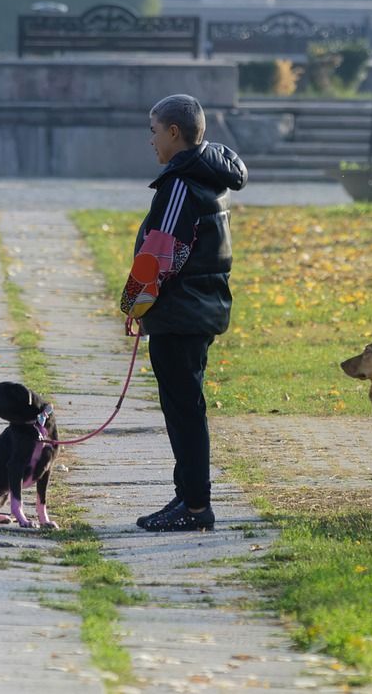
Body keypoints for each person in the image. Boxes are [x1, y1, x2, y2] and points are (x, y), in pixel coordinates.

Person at [123, 94, 247, 532]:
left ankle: (195, 507)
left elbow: (159, 255)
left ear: (174, 132)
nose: (151, 140)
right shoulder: (207, 176)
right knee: (184, 409)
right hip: (196, 309)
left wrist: (134, 303)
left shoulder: (179, 184)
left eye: (154, 130)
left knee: (185, 412)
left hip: (181, 314)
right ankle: (187, 496)